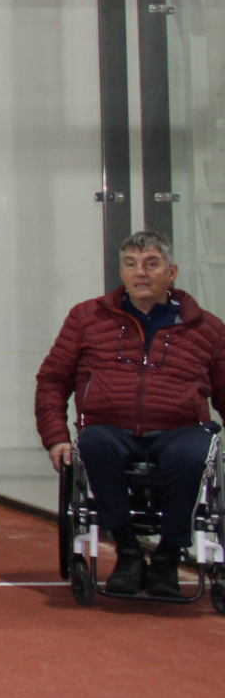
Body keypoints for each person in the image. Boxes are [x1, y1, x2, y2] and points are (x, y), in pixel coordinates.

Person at [34, 230, 225, 598]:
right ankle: (128, 552)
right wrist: (56, 436)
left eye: (152, 264)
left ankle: (169, 555)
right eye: (131, 264)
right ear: (121, 272)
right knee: (92, 443)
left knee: (193, 455)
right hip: (111, 428)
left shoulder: (207, 328)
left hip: (181, 429)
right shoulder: (86, 317)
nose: (141, 273)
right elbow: (53, 380)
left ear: (172, 272)